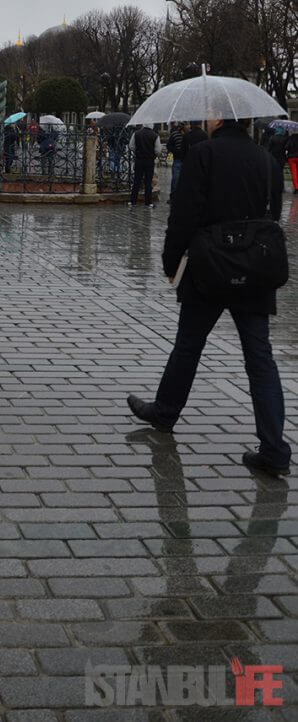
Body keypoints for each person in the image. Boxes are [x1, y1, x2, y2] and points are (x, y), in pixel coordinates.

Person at [127, 116, 291, 477]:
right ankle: (275, 448)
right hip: (254, 268)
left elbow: (184, 216)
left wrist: (172, 262)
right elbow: (274, 214)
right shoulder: (266, 159)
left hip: (211, 265)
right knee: (260, 358)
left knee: (188, 345)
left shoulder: (204, 154)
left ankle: (166, 412)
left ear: (218, 119)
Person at [128, 123, 160, 207]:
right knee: (148, 181)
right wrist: (152, 154)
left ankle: (133, 201)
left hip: (139, 160)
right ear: (152, 126)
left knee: (137, 180)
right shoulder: (155, 135)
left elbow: (131, 146)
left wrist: (137, 151)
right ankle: (148, 202)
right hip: (149, 160)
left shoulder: (136, 133)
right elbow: (158, 150)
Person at [167, 122, 187, 200]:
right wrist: (176, 151)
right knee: (175, 179)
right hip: (177, 160)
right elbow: (169, 145)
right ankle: (173, 197)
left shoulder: (188, 135)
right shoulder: (174, 134)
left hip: (186, 160)